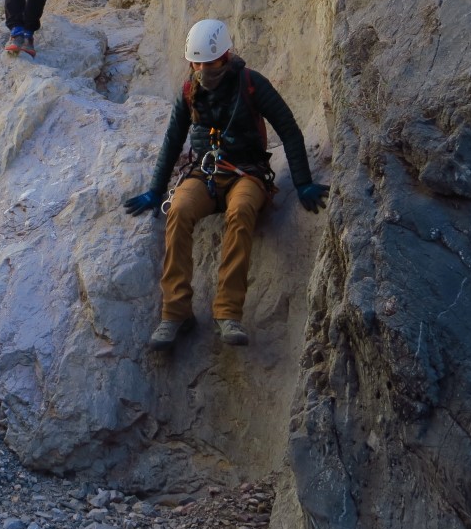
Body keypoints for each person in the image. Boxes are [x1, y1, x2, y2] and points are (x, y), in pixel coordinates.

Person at [123, 19, 330, 350]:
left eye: (210, 62)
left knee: (242, 210)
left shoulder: (251, 84)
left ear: (225, 56)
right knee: (178, 211)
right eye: (197, 62)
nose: (203, 69)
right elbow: (173, 140)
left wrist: (303, 183)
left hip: (248, 172)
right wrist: (155, 189)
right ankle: (175, 313)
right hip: (205, 173)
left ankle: (227, 312)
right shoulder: (190, 90)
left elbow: (288, 129)